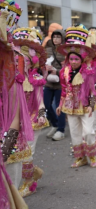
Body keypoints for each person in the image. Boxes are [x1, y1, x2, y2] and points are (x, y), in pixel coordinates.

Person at [12, 27, 49, 197]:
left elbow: (40, 100)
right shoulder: (9, 78)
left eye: (22, 59)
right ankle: (33, 172)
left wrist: (42, 114)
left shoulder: (35, 79)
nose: (18, 61)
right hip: (13, 121)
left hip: (32, 119)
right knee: (17, 153)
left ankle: (28, 182)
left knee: (27, 153)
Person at [56, 25, 96, 168]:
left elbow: (93, 90)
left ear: (81, 59)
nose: (74, 61)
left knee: (88, 131)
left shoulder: (88, 71)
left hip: (86, 105)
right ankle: (80, 158)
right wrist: (60, 104)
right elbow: (63, 89)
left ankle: (92, 156)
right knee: (75, 133)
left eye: (76, 59)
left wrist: (91, 105)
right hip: (71, 106)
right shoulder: (64, 71)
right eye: (71, 59)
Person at [0, 4, 29, 208]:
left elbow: (15, 101)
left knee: (10, 186)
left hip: (7, 134)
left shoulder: (13, 60)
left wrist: (7, 142)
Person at [44, 29, 66, 141]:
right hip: (48, 82)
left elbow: (68, 66)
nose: (56, 39)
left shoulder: (66, 50)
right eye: (54, 37)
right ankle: (54, 124)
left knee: (59, 106)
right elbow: (41, 62)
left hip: (60, 83)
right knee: (45, 104)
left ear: (62, 38)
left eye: (58, 37)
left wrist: (57, 71)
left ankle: (61, 130)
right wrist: (45, 68)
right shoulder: (47, 49)